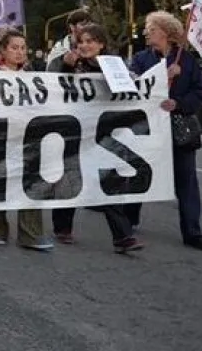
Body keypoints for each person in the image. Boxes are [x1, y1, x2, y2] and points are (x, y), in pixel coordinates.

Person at [129, 11, 202, 253]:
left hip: (178, 131)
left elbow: (199, 92)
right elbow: (133, 86)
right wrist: (162, 77)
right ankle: (129, 220)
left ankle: (193, 232)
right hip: (148, 129)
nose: (146, 32)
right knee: (139, 175)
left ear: (166, 33)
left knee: (186, 181)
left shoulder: (187, 61)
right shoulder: (140, 59)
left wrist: (178, 104)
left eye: (151, 28)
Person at [52, 23, 142, 253]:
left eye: (90, 41)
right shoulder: (70, 62)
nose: (84, 46)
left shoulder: (114, 65)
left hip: (103, 133)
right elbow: (50, 86)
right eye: (81, 41)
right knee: (71, 178)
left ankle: (122, 237)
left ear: (101, 44)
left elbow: (133, 87)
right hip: (74, 131)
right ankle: (62, 228)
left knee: (110, 180)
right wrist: (65, 66)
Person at [0, 30, 54, 251]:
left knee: (31, 181)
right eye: (14, 47)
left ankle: (31, 234)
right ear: (2, 51)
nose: (19, 52)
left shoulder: (34, 76)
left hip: (28, 136)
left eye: (23, 48)